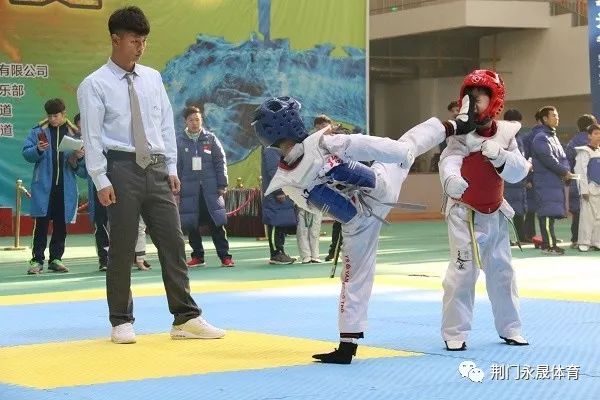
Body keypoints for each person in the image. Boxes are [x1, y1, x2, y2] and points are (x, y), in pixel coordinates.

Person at [251, 94, 476, 364]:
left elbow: (315, 208)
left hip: (358, 222)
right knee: (409, 143)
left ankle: (347, 346)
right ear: (293, 122)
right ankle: (457, 125)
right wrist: (400, 154)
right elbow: (370, 146)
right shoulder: (324, 142)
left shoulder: (287, 181)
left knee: (353, 277)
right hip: (381, 187)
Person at [77, 6, 224, 344]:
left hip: (156, 167)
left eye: (143, 40)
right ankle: (121, 321)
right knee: (123, 247)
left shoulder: (153, 78)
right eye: (134, 40)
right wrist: (100, 178)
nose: (140, 47)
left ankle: (185, 318)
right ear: (116, 39)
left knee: (173, 241)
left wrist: (171, 167)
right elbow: (93, 138)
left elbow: (163, 126)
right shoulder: (94, 85)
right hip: (119, 167)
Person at [439, 70, 530, 351]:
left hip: (495, 212)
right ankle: (455, 332)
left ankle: (511, 327)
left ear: (494, 100)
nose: (472, 103)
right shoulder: (460, 135)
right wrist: (452, 179)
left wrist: (500, 155)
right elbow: (449, 160)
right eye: (468, 97)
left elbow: (518, 172)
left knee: (503, 271)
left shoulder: (506, 133)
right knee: (463, 271)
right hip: (464, 213)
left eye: (478, 97)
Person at [22, 99, 86, 275]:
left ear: (63, 114)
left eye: (56, 116)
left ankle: (56, 259)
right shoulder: (38, 131)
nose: (52, 119)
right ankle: (36, 260)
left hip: (65, 188)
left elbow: (82, 171)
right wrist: (38, 149)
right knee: (41, 224)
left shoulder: (75, 134)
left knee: (60, 225)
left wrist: (79, 157)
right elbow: (26, 154)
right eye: (49, 115)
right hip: (44, 186)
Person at [176, 105, 234, 268]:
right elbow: (177, 165)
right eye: (191, 120)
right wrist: (177, 187)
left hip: (210, 190)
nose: (195, 123)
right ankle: (197, 256)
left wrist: (222, 183)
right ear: (185, 121)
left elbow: (220, 161)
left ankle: (225, 256)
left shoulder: (211, 138)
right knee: (191, 224)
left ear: (201, 120)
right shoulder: (179, 141)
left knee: (217, 223)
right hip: (189, 190)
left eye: (197, 119)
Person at [531, 106, 574, 255]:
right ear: (545, 119)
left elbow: (562, 158)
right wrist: (564, 171)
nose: (557, 118)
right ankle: (548, 245)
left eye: (557, 115)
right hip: (545, 182)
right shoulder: (541, 137)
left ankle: (549, 243)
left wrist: (566, 171)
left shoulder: (552, 137)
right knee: (547, 214)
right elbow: (548, 159)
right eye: (554, 116)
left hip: (554, 181)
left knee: (551, 213)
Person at [565, 114, 597, 248]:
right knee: (596, 214)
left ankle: (576, 239)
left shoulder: (572, 143)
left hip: (577, 183)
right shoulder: (596, 142)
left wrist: (569, 181)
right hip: (595, 183)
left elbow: (568, 165)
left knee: (578, 213)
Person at [261, 146, 297, 264]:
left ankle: (280, 251)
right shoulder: (271, 150)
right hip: (274, 194)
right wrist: (279, 191)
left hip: (282, 192)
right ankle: (275, 254)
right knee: (274, 223)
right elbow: (274, 172)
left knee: (281, 224)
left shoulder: (278, 148)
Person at [501, 109, 528, 244]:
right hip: (508, 181)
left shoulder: (519, 139)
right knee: (509, 211)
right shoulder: (505, 138)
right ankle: (511, 238)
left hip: (519, 181)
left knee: (519, 210)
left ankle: (520, 237)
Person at [574, 123, 600, 251]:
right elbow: (580, 171)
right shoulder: (584, 151)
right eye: (595, 134)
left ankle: (597, 241)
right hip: (589, 188)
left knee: (598, 217)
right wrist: (584, 190)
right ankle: (584, 242)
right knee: (587, 217)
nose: (598, 136)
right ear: (589, 136)